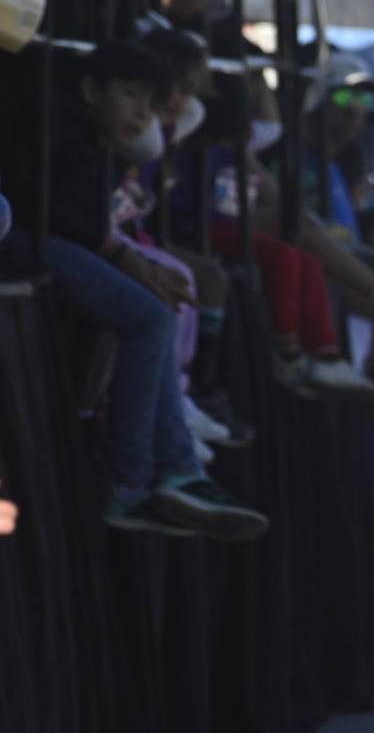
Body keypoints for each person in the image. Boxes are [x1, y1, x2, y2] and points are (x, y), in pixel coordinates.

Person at [0, 43, 266, 540]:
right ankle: (133, 482)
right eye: (129, 95)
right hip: (16, 238)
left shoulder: (97, 140)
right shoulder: (57, 126)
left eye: (150, 101)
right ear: (91, 89)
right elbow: (48, 210)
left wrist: (129, 260)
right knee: (147, 317)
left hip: (42, 239)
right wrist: (124, 257)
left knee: (155, 308)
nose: (141, 112)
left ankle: (177, 467)